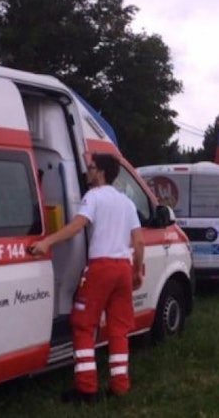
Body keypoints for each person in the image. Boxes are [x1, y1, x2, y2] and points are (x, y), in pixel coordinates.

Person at [29, 153, 144, 405]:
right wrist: (137, 270)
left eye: (91, 168)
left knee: (83, 325)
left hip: (101, 268)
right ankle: (120, 386)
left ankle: (87, 389)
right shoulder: (126, 202)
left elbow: (76, 226)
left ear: (101, 172)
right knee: (118, 329)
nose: (88, 172)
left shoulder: (93, 197)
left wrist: (46, 242)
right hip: (123, 269)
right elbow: (138, 241)